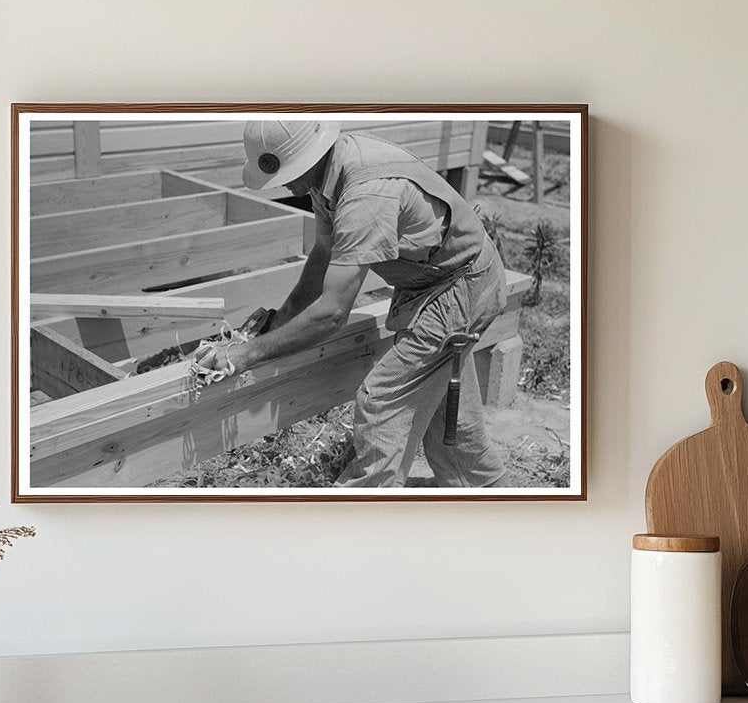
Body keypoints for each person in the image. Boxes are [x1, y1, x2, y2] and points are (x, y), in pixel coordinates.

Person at [192, 120, 511, 488]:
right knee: (443, 412)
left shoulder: (365, 195)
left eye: (286, 172)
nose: (282, 184)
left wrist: (245, 355)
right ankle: (486, 489)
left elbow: (332, 313)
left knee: (383, 403)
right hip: (436, 279)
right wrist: (280, 320)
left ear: (306, 156)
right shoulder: (325, 172)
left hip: (461, 283)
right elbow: (323, 254)